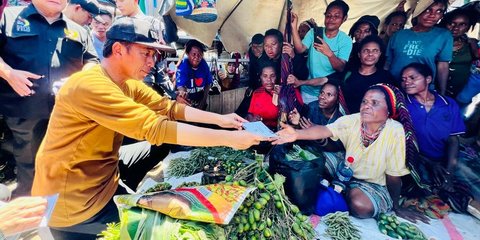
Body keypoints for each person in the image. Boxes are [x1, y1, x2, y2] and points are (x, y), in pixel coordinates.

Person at [31, 17, 265, 239]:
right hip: (74, 203)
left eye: (154, 54)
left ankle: (126, 193)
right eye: (146, 53)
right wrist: (228, 139)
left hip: (104, 177)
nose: (152, 62)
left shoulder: (125, 82)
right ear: (119, 49)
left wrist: (222, 120)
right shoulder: (90, 85)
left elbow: (168, 108)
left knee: (161, 147)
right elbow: (154, 127)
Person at [273, 83, 428, 222]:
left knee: (360, 206)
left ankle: (340, 189)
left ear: (388, 110)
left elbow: (394, 176)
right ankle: (339, 188)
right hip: (347, 168)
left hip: (372, 183)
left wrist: (396, 206)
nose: (367, 106)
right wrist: (296, 134)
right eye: (365, 101)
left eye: (374, 103)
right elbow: (325, 130)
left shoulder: (395, 132)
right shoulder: (353, 120)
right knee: (315, 161)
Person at [0, 0, 99, 197]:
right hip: (23, 113)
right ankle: (28, 217)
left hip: (65, 116)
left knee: (64, 168)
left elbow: (93, 63)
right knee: (29, 170)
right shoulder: (8, 17)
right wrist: (8, 73)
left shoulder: (78, 30)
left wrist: (77, 80)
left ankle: (57, 215)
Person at [401, 62, 480, 216]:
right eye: (403, 79)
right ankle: (463, 200)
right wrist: (431, 163)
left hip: (445, 156)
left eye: (412, 77)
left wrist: (449, 172)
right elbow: (402, 143)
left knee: (471, 174)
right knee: (425, 185)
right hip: (417, 158)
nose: (407, 82)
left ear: (428, 79)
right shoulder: (403, 105)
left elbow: (453, 140)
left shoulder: (448, 104)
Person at [290, 0, 352, 103]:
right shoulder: (314, 32)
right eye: (328, 15)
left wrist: (329, 54)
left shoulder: (345, 40)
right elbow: (300, 49)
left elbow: (341, 68)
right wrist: (293, 27)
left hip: (328, 93)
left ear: (344, 18)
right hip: (307, 89)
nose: (331, 19)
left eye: (336, 16)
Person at [385, 0, 452, 95]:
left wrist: (442, 92)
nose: (432, 15)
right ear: (418, 10)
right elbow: (388, 64)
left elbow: (443, 66)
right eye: (428, 10)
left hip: (422, 90)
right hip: (395, 87)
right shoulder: (399, 35)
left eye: (439, 11)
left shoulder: (443, 35)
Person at [288, 81, 347, 177]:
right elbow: (302, 131)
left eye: (329, 95)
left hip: (333, 153)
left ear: (337, 100)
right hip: (312, 148)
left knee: (324, 167)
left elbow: (337, 147)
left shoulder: (341, 118)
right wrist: (296, 123)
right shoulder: (312, 107)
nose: (322, 97)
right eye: (322, 93)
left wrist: (317, 134)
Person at [343, 35, 398, 113]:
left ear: (380, 54)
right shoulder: (349, 74)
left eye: (375, 51)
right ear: (359, 54)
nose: (370, 54)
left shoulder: (386, 78)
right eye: (366, 50)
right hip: (348, 120)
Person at [439, 8, 479, 100]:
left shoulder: (471, 45)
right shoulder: (436, 44)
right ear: (445, 24)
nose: (456, 28)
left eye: (462, 25)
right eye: (452, 23)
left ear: (468, 27)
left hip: (462, 96)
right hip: (435, 94)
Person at [175, 39, 212, 110]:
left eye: (199, 55)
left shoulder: (204, 65)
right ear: (188, 54)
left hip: (200, 98)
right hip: (187, 99)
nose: (197, 57)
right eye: (194, 54)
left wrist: (203, 102)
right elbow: (181, 86)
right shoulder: (183, 66)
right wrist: (183, 94)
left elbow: (208, 83)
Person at [246, 65, 279, 129]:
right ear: (260, 77)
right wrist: (252, 119)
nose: (269, 80)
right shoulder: (257, 93)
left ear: (276, 77)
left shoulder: (282, 93)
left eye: (272, 76)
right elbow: (250, 114)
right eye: (265, 76)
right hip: (259, 130)